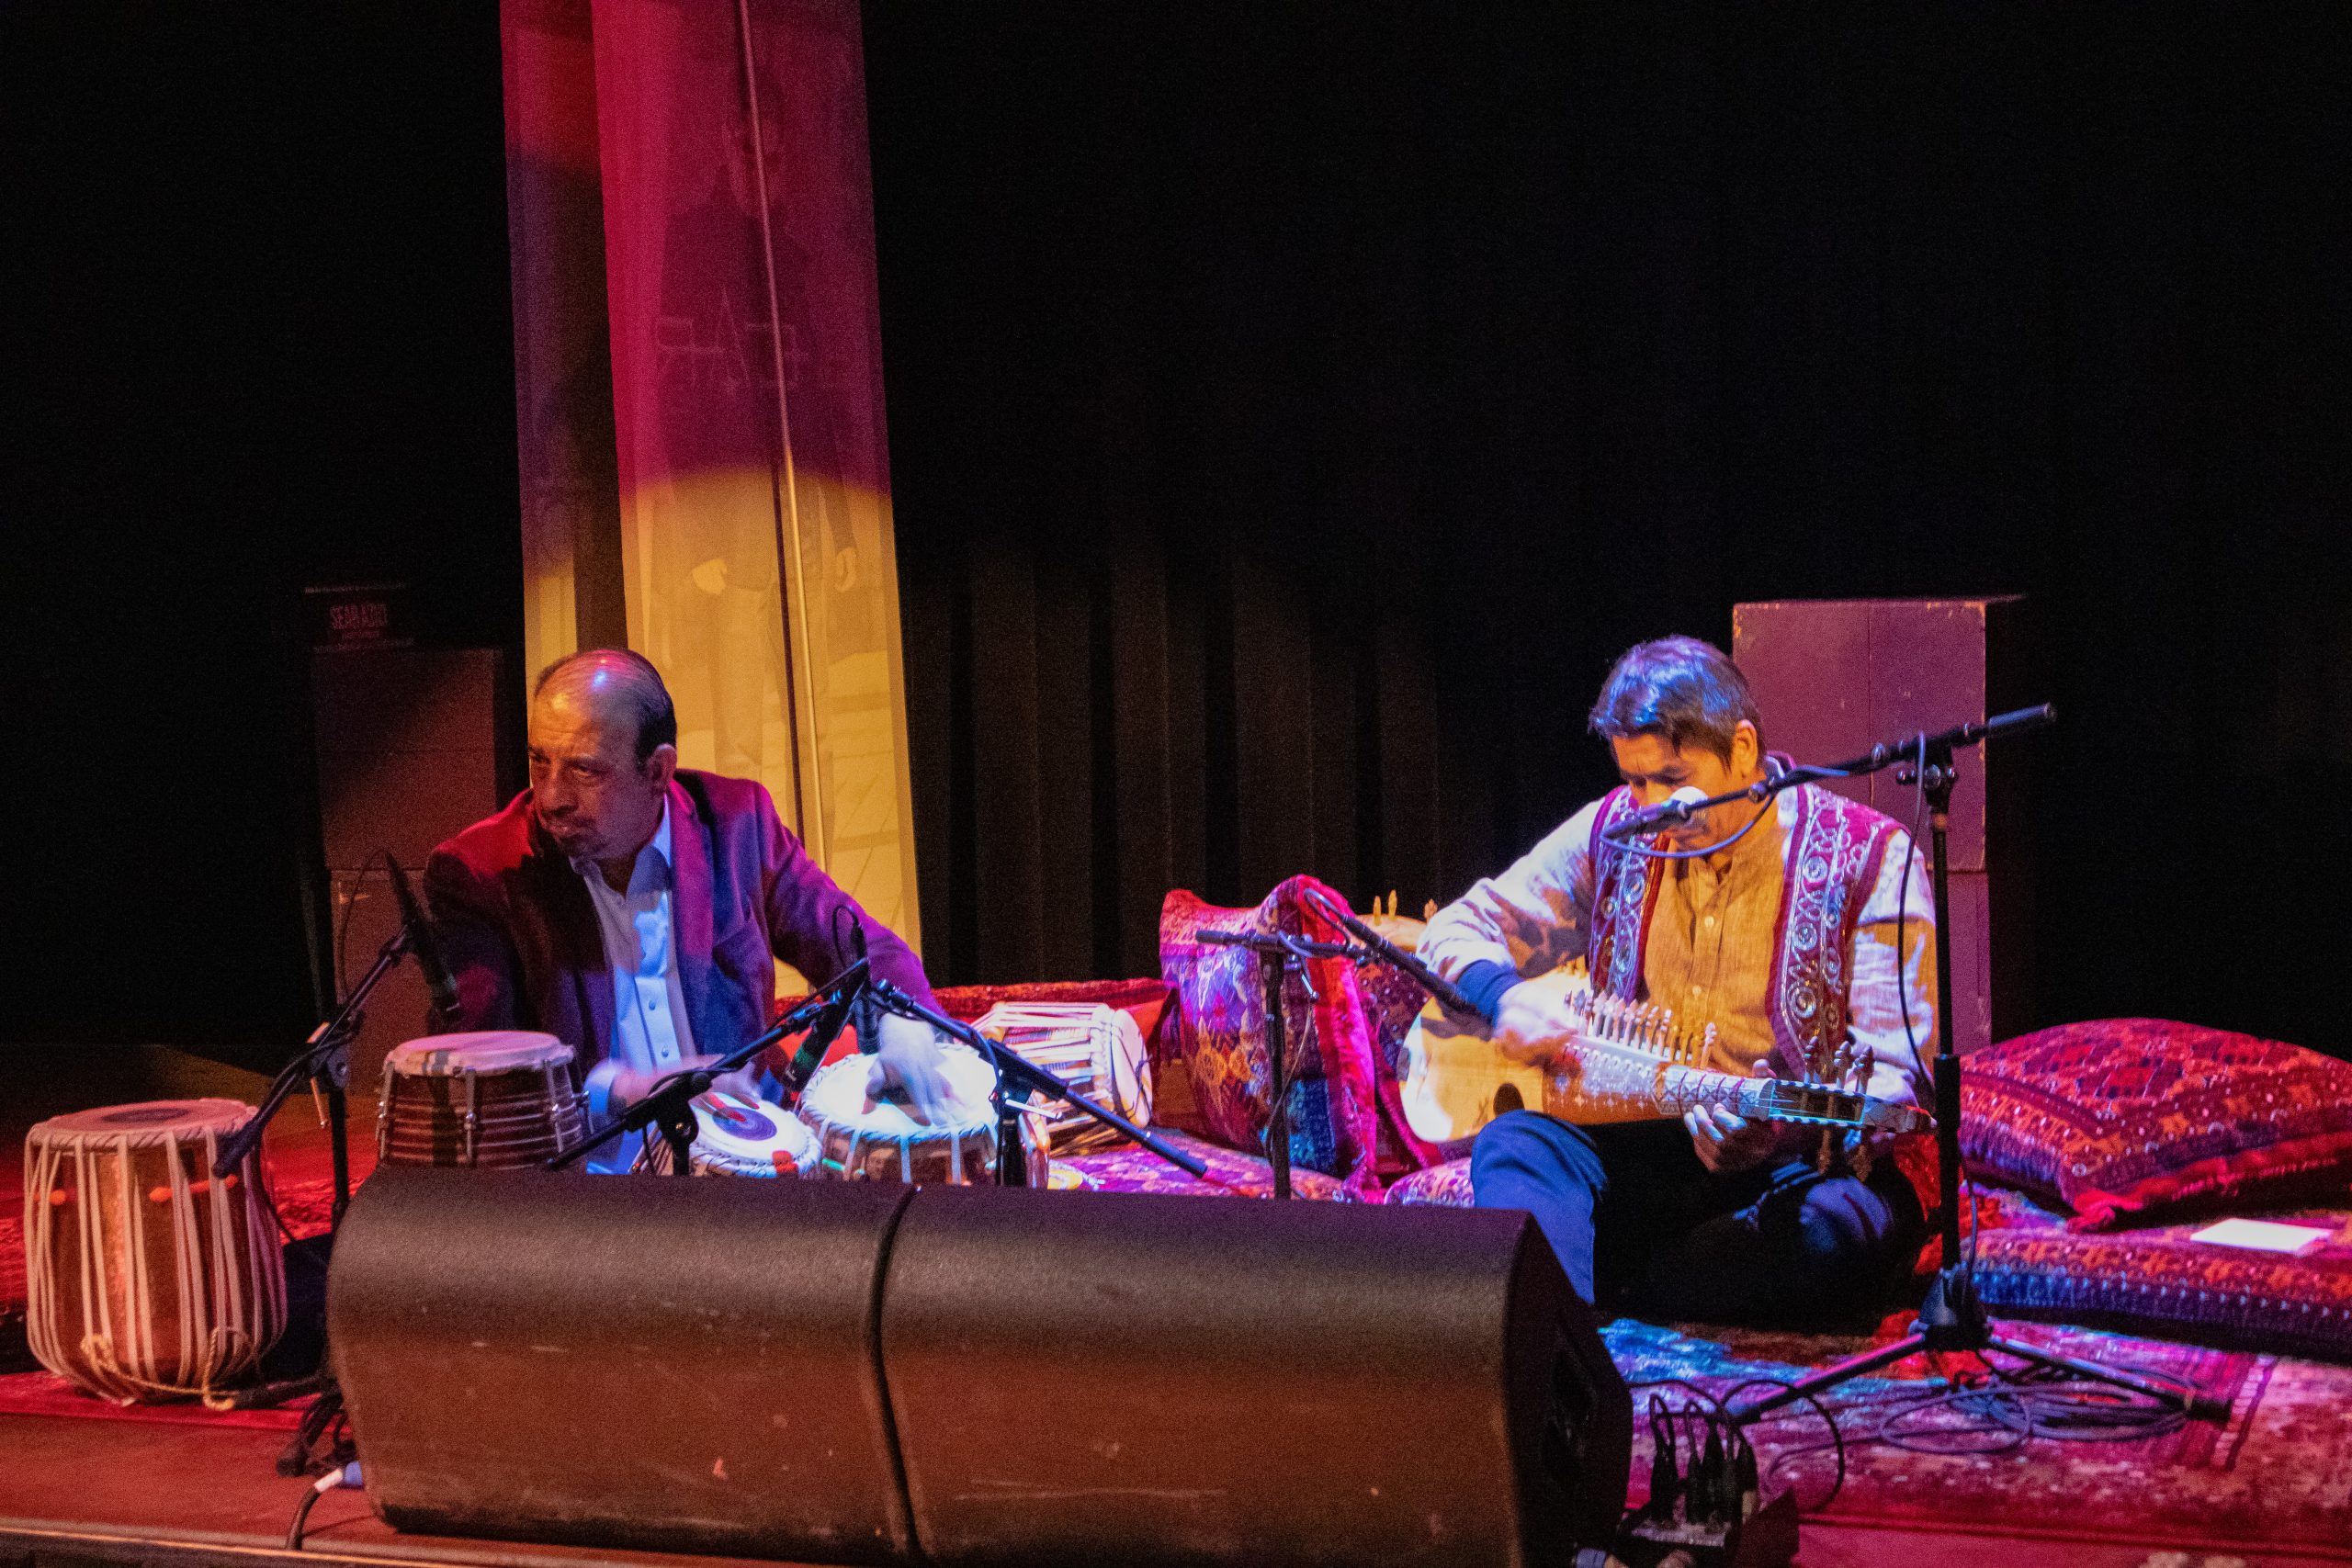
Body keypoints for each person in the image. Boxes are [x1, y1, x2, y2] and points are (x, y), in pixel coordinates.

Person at [1418, 637, 1933, 1325]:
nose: (1652, 806)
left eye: (1672, 779)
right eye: (1636, 781)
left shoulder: (1868, 859)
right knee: (1517, 1146)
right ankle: (1567, 1346)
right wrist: (1505, 994)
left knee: (1831, 1233)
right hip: (1651, 1151)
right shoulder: (1617, 830)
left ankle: (1606, 1286)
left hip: (1797, 1164)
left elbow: (1895, 1080)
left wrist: (1773, 1132)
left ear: (1743, 750)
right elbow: (1454, 928)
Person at [424, 649, 951, 1173]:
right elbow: (481, 1081)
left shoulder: (738, 824)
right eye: (540, 761)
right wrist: (622, 1088)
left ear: (658, 770)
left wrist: (904, 1021)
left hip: (751, 1169)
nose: (552, 796)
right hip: (590, 1200)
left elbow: (861, 946)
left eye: (584, 770)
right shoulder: (480, 872)